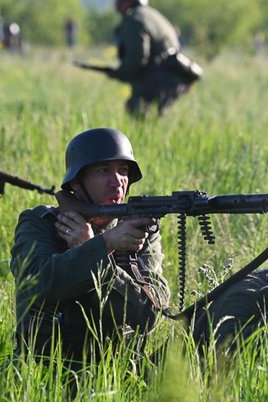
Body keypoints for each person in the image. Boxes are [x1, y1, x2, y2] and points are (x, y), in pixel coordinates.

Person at [11, 128, 169, 367]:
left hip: (118, 372)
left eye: (123, 171)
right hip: (42, 369)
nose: (117, 182)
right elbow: (37, 285)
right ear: (76, 182)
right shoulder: (39, 223)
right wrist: (102, 246)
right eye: (103, 171)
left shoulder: (139, 229)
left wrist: (91, 247)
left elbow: (148, 315)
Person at [108, 0, 198, 117]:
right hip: (171, 79)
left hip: (155, 81)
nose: (115, 3)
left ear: (126, 1)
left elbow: (137, 57)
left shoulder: (134, 20)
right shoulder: (152, 15)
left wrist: (121, 73)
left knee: (138, 113)